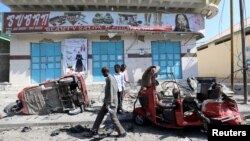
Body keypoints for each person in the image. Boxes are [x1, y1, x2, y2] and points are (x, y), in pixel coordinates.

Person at [90, 67, 126, 137]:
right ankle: (94, 130)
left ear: (106, 72)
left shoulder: (110, 79)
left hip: (110, 103)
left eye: (103, 73)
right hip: (107, 101)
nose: (102, 74)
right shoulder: (109, 78)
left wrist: (109, 104)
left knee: (114, 118)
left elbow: (112, 92)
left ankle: (122, 132)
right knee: (100, 115)